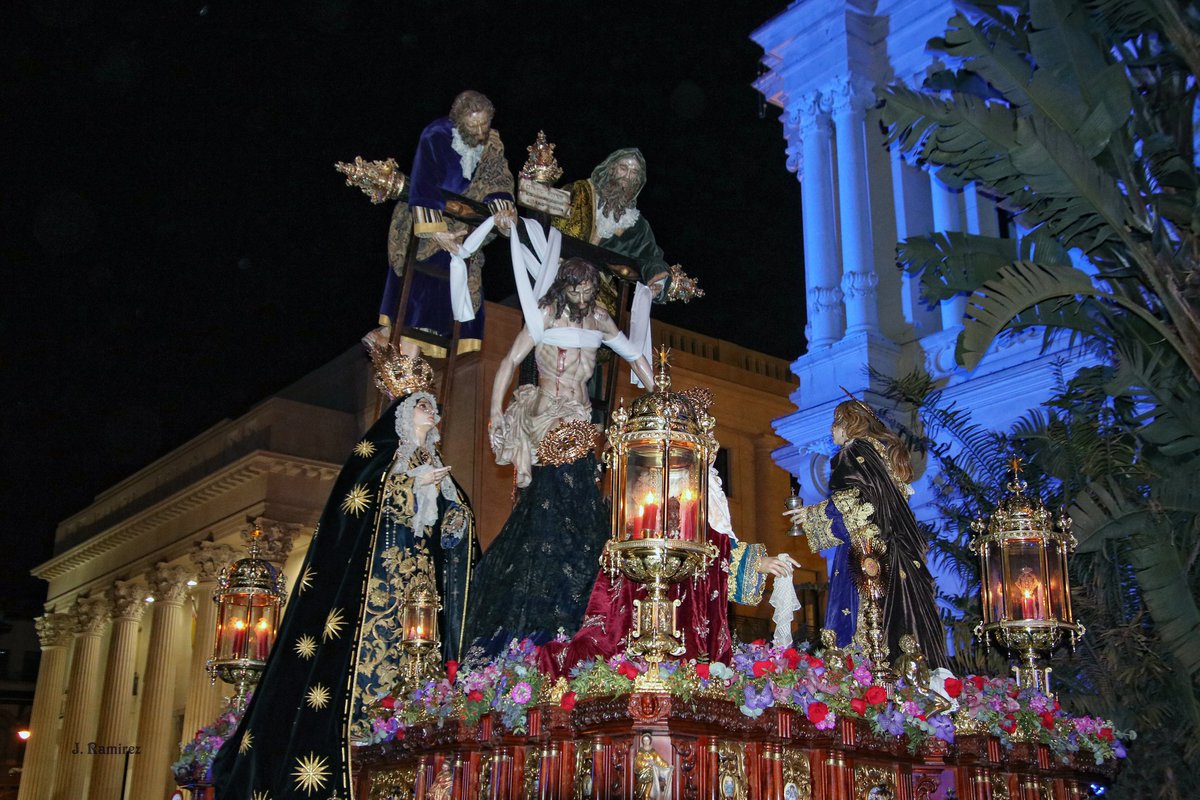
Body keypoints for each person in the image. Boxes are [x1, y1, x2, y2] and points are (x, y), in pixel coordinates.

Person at [211, 349, 479, 798]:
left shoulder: (436, 465)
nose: (432, 411)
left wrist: (453, 513)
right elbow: (359, 512)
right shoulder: (379, 461)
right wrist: (412, 488)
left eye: (434, 405)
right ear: (403, 413)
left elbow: (451, 528)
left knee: (423, 650)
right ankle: (367, 727)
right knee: (367, 655)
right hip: (379, 581)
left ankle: (413, 716)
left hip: (421, 583)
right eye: (423, 403)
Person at [462, 257, 654, 653]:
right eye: (577, 290)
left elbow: (633, 354)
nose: (583, 297)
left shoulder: (600, 319)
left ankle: (584, 585)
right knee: (554, 496)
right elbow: (510, 361)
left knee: (582, 496)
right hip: (548, 414)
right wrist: (495, 411)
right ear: (564, 286)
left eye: (588, 290)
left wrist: (663, 395)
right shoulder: (545, 315)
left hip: (581, 417)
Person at [539, 459, 799, 676]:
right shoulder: (644, 509)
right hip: (639, 606)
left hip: (687, 605)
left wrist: (760, 563)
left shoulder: (700, 507)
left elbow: (719, 548)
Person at [785, 399, 948, 668]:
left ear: (848, 425)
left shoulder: (852, 451)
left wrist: (810, 515)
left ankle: (860, 674)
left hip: (867, 549)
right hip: (891, 549)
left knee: (863, 618)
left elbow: (861, 499)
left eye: (835, 424)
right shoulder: (876, 453)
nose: (831, 431)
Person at [376, 89, 516, 357]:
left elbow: (499, 179)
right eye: (473, 125)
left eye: (484, 124)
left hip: (463, 231)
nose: (479, 131)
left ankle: (413, 356)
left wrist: (500, 203)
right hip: (427, 223)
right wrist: (436, 231)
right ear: (458, 121)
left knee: (449, 298)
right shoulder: (436, 135)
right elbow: (423, 183)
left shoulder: (493, 145)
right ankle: (399, 355)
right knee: (417, 299)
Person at [553, 148, 672, 301]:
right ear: (611, 169)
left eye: (634, 172)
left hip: (597, 291)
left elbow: (650, 257)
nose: (627, 177)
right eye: (623, 168)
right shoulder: (580, 191)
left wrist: (657, 279)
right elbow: (551, 216)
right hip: (557, 272)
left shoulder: (636, 225)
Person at [635, 734, 672, 800]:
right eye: (644, 740)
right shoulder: (640, 751)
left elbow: (659, 761)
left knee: (647, 795)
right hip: (642, 774)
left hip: (651, 775)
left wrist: (667, 766)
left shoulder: (653, 752)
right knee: (641, 795)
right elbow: (638, 762)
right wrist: (647, 763)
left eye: (647, 740)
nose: (646, 742)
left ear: (650, 741)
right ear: (642, 741)